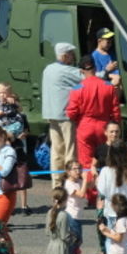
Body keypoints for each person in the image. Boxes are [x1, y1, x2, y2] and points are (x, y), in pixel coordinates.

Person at [65, 55, 120, 170]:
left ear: (81, 71)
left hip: (85, 126)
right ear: (95, 68)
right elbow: (115, 110)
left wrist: (79, 120)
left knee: (86, 162)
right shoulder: (108, 86)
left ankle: (90, 186)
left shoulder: (77, 89)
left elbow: (71, 113)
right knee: (106, 158)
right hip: (104, 126)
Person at [40, 43, 81, 188]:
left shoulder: (48, 69)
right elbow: (86, 77)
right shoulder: (66, 70)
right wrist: (107, 72)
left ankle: (56, 184)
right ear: (64, 56)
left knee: (56, 151)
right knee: (70, 150)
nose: (73, 57)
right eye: (71, 54)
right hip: (65, 115)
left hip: (51, 115)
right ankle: (71, 183)